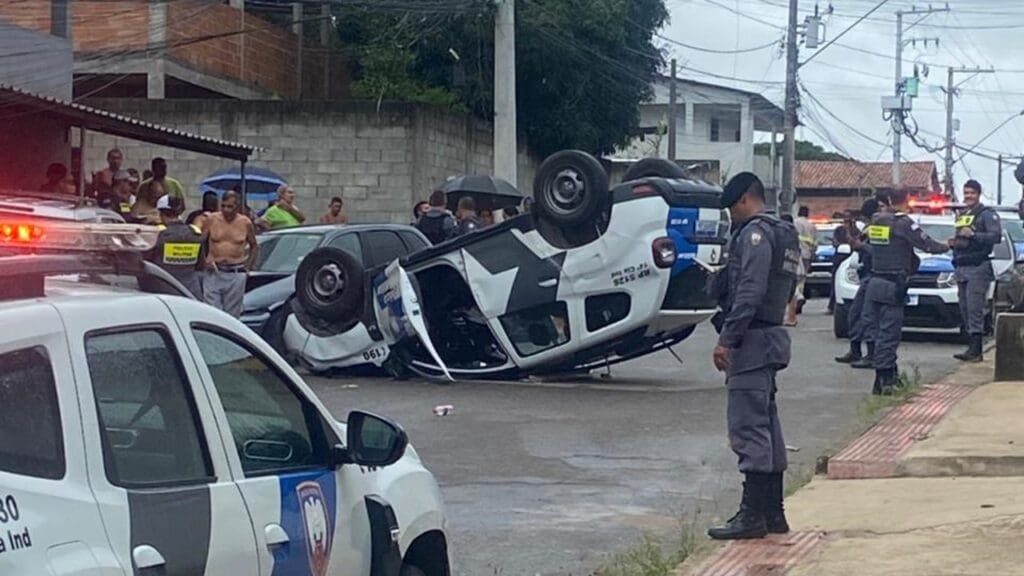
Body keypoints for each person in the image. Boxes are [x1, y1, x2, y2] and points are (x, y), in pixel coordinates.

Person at [707, 172, 800, 541]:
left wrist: (726, 339)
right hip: (771, 335)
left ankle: (751, 517)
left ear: (746, 199)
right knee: (767, 425)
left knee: (748, 428)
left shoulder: (755, 235)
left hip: (752, 340)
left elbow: (750, 289)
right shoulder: (785, 233)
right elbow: (788, 285)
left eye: (733, 207)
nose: (732, 215)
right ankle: (773, 513)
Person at [864, 188, 950, 395]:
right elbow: (927, 244)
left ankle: (883, 378)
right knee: (889, 334)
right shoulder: (902, 223)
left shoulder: (874, 223)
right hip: (893, 284)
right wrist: (947, 245)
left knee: (876, 332)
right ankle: (886, 380)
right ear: (902, 201)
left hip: (874, 281)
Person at [949, 180, 1002, 362]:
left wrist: (974, 235)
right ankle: (971, 347)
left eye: (971, 193)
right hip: (962, 267)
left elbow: (996, 236)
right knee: (964, 308)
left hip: (978, 267)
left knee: (974, 308)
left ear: (978, 194)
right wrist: (954, 242)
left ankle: (976, 349)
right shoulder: (963, 214)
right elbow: (962, 238)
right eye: (966, 193)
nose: (968, 196)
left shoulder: (987, 214)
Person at [836, 198, 884, 365]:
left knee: (868, 316)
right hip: (866, 275)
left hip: (875, 276)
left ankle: (871, 355)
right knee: (855, 314)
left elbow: (878, 251)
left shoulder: (881, 229)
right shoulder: (868, 229)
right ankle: (855, 350)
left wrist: (861, 246)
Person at [201, 190, 258, 318]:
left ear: (237, 207)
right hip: (214, 271)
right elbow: (200, 242)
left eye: (230, 206)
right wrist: (205, 260)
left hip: (236, 272)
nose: (226, 210)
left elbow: (254, 245)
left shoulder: (245, 223)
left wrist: (248, 267)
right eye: (223, 206)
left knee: (232, 316)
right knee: (211, 313)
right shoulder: (211, 219)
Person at [150, 195, 203, 298]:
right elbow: (200, 265)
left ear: (161, 213)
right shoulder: (194, 234)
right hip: (191, 293)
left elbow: (147, 264)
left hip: (164, 294)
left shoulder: (157, 234)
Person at [828, 210, 858, 314]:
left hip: (850, 257)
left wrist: (848, 231)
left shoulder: (855, 230)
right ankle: (832, 306)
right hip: (839, 257)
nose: (846, 219)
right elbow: (834, 242)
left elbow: (856, 242)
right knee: (834, 282)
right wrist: (839, 245)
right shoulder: (838, 229)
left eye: (848, 217)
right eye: (844, 217)